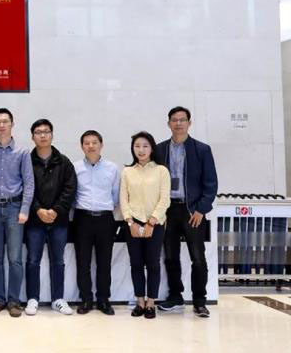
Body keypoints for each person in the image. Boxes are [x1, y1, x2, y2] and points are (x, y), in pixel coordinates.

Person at [155, 106, 218, 318]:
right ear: (168, 123)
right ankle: (175, 297)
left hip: (192, 210)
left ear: (189, 123)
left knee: (198, 257)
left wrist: (201, 209)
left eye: (182, 120)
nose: (178, 123)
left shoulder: (202, 150)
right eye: (174, 120)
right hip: (168, 210)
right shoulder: (159, 150)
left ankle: (200, 301)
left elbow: (211, 183)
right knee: (170, 256)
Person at [24, 119, 76, 316]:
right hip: (34, 220)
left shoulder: (64, 161)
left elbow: (70, 189)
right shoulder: (27, 161)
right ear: (32, 137)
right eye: (38, 132)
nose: (43, 135)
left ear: (52, 135)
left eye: (46, 131)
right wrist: (38, 209)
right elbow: (25, 188)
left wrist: (55, 210)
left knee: (58, 260)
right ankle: (32, 299)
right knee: (32, 260)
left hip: (59, 220)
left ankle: (58, 299)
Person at [0, 108, 34, 318]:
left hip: (15, 208)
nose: (2, 125)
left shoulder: (22, 152)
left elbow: (29, 183)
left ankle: (14, 301)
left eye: (5, 121)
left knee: (15, 258)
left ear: (12, 124)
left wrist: (24, 209)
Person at [120, 131, 170, 319]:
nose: (141, 150)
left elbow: (165, 199)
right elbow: (123, 199)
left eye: (145, 146)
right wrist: (130, 222)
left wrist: (151, 222)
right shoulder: (127, 172)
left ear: (152, 148)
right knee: (136, 264)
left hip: (155, 224)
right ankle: (140, 302)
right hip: (132, 224)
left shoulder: (161, 171)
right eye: (137, 146)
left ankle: (151, 303)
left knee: (153, 264)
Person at [72, 130, 119, 315]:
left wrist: (105, 207)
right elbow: (72, 194)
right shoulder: (75, 167)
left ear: (101, 145)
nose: (91, 146)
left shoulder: (112, 168)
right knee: (82, 262)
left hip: (105, 219)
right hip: (82, 218)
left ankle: (103, 299)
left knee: (104, 262)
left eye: (94, 142)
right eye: (86, 143)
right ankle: (86, 299)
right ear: (81, 146)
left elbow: (116, 195)